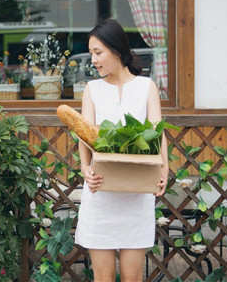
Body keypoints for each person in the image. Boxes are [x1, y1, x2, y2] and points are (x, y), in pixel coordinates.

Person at [74, 19, 168, 282]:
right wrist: (85, 169)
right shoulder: (92, 90)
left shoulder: (146, 86)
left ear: (116, 50)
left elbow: (157, 133)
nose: (93, 60)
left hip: (136, 197)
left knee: (132, 277)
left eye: (98, 52)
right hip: (101, 194)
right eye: (91, 53)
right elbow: (85, 136)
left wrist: (164, 170)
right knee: (102, 277)